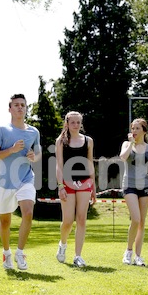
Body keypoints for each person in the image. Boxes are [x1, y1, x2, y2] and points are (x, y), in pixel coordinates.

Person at [0, 93, 41, 271]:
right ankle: (7, 252)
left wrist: (34, 157)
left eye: (23, 105)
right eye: (16, 105)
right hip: (4, 181)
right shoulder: (2, 130)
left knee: (27, 212)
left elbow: (38, 154)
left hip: (26, 178)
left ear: (26, 109)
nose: (20, 107)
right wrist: (11, 150)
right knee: (5, 222)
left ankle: (20, 252)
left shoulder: (34, 132)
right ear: (10, 108)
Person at [55, 111, 96, 267]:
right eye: (73, 122)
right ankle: (63, 244)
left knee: (81, 219)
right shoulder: (61, 141)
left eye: (78, 122)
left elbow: (90, 163)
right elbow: (58, 166)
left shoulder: (88, 141)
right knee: (68, 221)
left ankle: (77, 256)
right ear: (67, 123)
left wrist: (93, 186)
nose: (76, 125)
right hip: (67, 182)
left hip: (85, 182)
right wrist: (60, 186)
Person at [119, 118, 148, 267]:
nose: (134, 131)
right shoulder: (127, 144)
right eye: (132, 128)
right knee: (135, 219)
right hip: (129, 185)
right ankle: (128, 252)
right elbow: (122, 157)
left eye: (137, 128)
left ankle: (138, 256)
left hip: (144, 186)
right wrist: (131, 143)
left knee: (142, 222)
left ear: (144, 130)